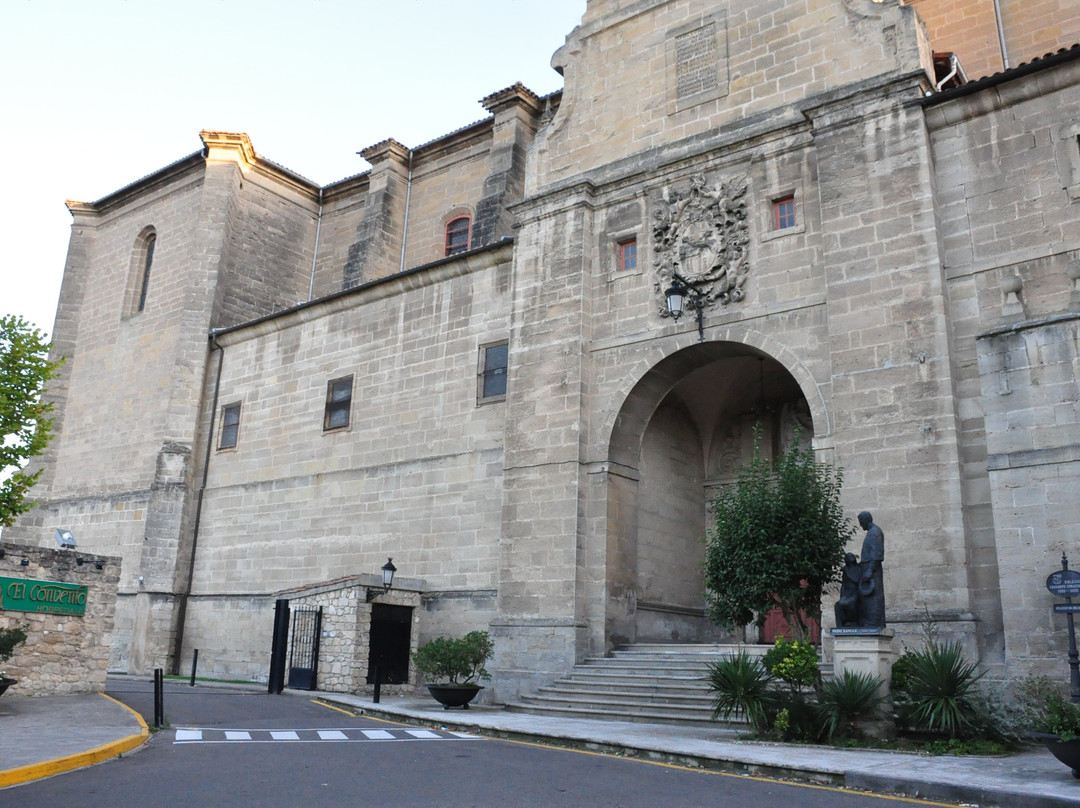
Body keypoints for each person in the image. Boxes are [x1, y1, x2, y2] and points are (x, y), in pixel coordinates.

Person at [856, 511, 886, 627]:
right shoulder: (871, 532)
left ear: (864, 521)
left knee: (874, 596)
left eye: (860, 522)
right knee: (867, 598)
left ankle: (874, 622)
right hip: (868, 567)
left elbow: (876, 553)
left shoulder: (875, 533)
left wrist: (870, 570)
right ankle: (868, 621)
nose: (860, 525)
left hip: (872, 570)